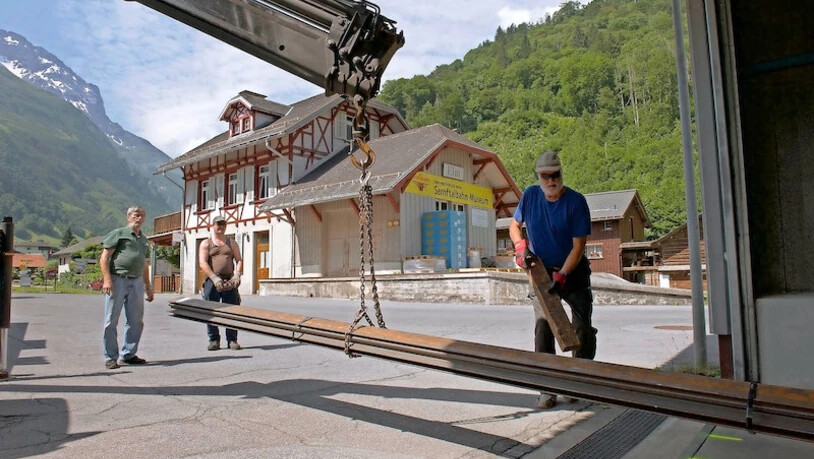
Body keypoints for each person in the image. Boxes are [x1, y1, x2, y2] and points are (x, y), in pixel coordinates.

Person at [509, 151, 596, 409]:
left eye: (555, 175)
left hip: (574, 271)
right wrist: (520, 247)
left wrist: (563, 275)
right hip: (540, 271)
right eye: (545, 176)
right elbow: (514, 226)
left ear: (561, 173)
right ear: (539, 177)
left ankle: (578, 381)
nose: (551, 180)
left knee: (581, 328)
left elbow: (578, 246)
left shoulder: (576, 202)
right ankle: (547, 387)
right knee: (543, 327)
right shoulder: (530, 196)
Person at [100, 206, 154, 370]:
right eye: (136, 215)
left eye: (142, 216)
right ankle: (110, 357)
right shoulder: (119, 234)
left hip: (136, 281)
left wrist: (148, 286)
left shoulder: (144, 240)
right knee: (111, 320)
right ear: (129, 217)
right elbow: (104, 258)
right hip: (118, 279)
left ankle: (128, 354)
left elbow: (145, 264)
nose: (140, 218)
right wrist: (107, 280)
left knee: (136, 320)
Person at [199, 215, 243, 351]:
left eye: (223, 224)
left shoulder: (232, 243)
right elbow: (202, 262)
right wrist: (213, 277)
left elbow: (239, 260)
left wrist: (237, 275)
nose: (221, 227)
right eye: (218, 224)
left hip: (229, 279)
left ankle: (232, 340)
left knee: (232, 310)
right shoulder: (206, 243)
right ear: (212, 226)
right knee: (211, 310)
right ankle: (213, 340)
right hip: (213, 281)